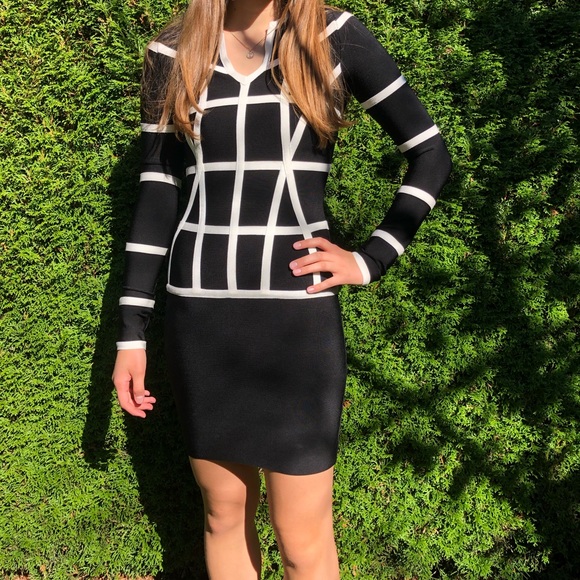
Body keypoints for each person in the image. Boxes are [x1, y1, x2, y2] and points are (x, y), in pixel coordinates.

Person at [112, 0, 451, 577]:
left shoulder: (332, 37)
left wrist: (371, 258)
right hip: (201, 316)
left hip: (297, 320)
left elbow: (430, 153)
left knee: (302, 536)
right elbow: (158, 188)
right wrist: (131, 332)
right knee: (223, 513)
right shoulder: (172, 52)